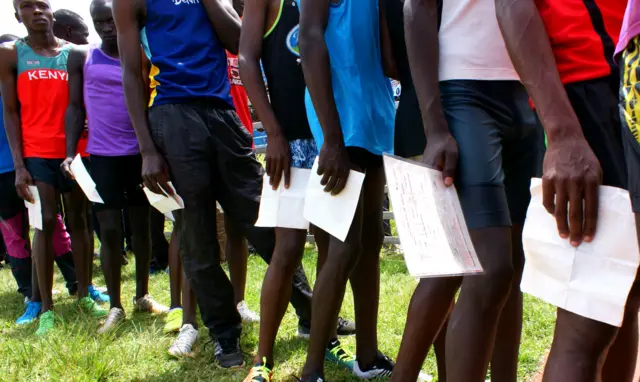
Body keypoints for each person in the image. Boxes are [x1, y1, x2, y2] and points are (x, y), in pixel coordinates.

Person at [112, 0, 322, 368]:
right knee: (197, 233)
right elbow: (131, 71)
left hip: (222, 112)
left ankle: (310, 312)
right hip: (170, 113)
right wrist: (146, 148)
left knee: (264, 217)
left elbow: (239, 41)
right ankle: (225, 333)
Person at [489, 0, 629, 380]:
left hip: (625, 82)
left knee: (623, 298)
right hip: (589, 91)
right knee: (587, 322)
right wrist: (564, 133)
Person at [239, 0, 358, 379]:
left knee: (330, 247)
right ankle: (262, 360)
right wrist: (273, 132)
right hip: (291, 144)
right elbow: (246, 59)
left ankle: (325, 341)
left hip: (334, 140)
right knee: (286, 249)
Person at [295, 0, 397, 379]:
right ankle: (312, 370)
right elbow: (308, 36)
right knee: (343, 244)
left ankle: (367, 356)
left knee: (370, 239)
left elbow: (389, 59)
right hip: (340, 120)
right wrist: (332, 139)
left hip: (376, 112)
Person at [0, 0, 108, 337]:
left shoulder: (76, 54)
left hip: (74, 151)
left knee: (80, 220)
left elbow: (81, 103)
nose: (36, 11)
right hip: (35, 152)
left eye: (42, 5)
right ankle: (45, 306)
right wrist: (19, 165)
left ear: (51, 11)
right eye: (27, 6)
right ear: (18, 15)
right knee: (44, 223)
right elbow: (10, 111)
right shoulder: (9, 53)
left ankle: (84, 291)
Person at [61, 0, 168, 335]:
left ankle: (142, 295)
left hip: (141, 153)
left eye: (111, 20)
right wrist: (68, 152)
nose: (108, 28)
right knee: (108, 231)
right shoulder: (82, 57)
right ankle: (116, 306)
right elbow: (75, 106)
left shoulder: (144, 53)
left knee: (144, 227)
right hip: (102, 156)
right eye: (100, 23)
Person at [52, 9, 111, 304]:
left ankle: (87, 286)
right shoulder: (55, 60)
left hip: (92, 148)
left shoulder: (87, 58)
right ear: (65, 31)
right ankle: (78, 286)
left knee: (90, 220)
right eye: (83, 32)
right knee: (73, 219)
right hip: (64, 151)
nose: (88, 39)